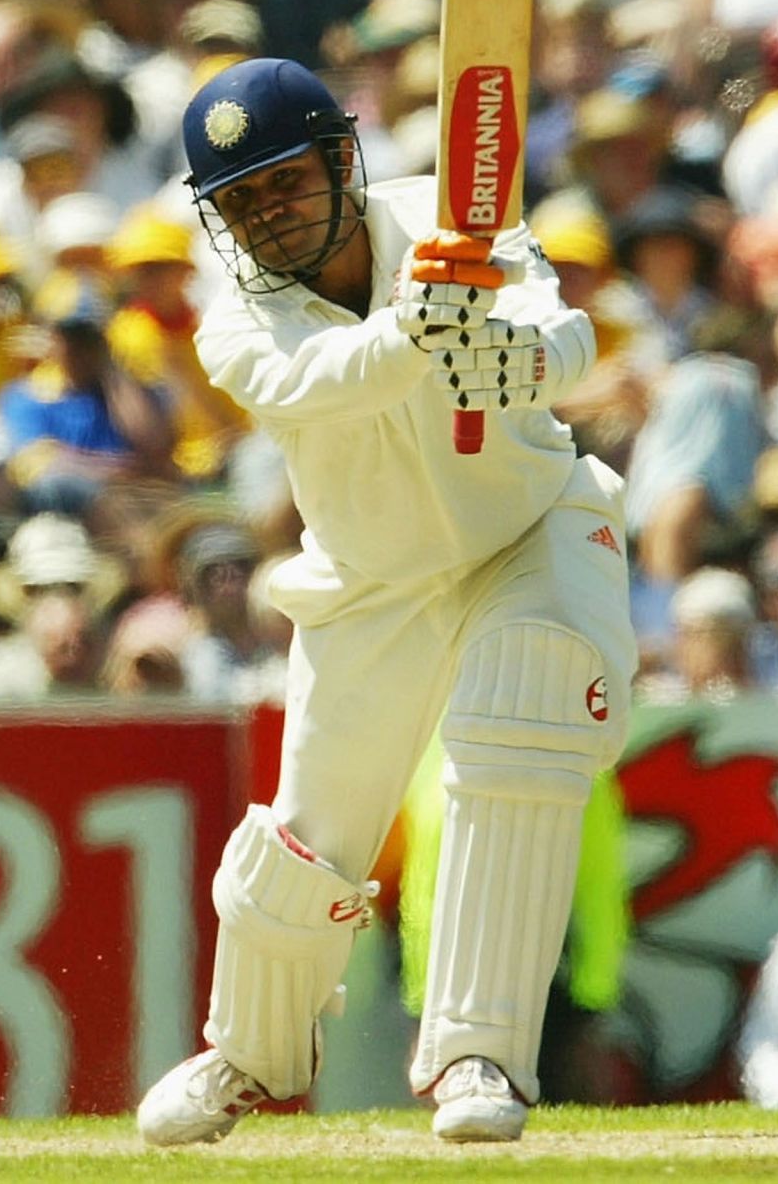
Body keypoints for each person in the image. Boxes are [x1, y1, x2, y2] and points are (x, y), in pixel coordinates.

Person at [136, 58, 636, 1146]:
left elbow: (572, 336)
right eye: (241, 202)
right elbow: (326, 381)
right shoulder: (236, 322)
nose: (266, 217)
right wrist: (422, 323)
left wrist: (509, 356)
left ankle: (477, 1055)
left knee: (522, 713)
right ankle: (248, 1055)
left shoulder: (456, 220)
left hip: (527, 529)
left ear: (337, 163)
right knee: (311, 837)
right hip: (375, 578)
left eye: (284, 184)